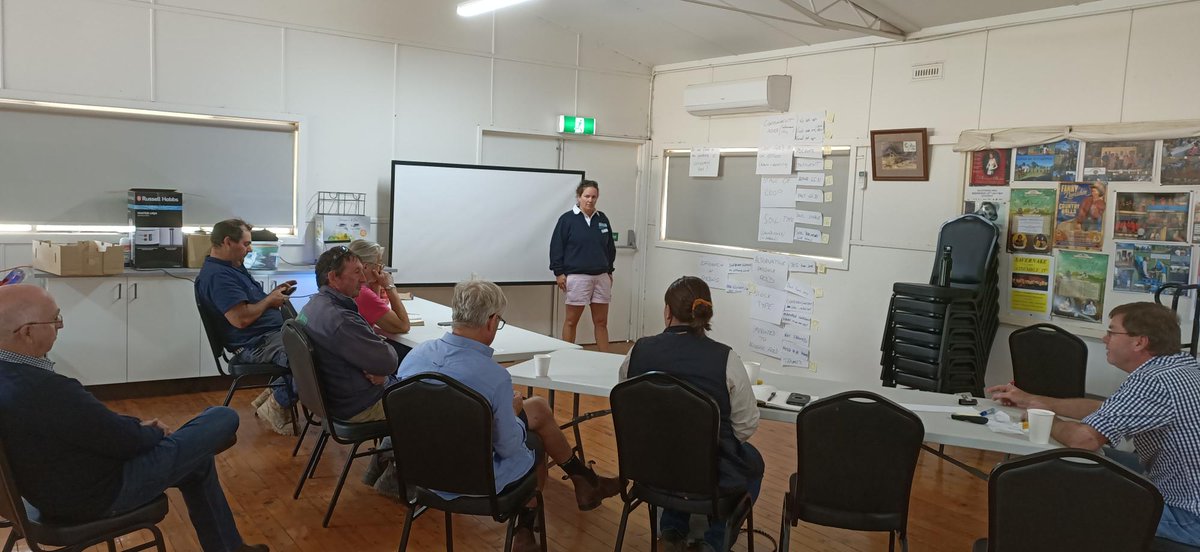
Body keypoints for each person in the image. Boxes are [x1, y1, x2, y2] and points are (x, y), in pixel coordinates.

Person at [0, 285, 268, 552]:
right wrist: (152, 432)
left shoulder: (12, 379)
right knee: (222, 417)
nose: (60, 325)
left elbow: (96, 428)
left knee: (197, 458)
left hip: (47, 492)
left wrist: (137, 430)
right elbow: (123, 441)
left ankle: (229, 548)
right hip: (96, 495)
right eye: (54, 320)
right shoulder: (45, 390)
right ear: (27, 332)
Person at [396, 278, 620, 552]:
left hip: (420, 472)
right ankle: (525, 527)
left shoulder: (414, 357)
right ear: (491, 322)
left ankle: (583, 482)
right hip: (477, 480)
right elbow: (509, 446)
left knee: (536, 408)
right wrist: (512, 414)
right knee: (533, 443)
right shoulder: (493, 377)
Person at [988, 302, 1200, 547]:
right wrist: (1033, 400)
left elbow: (1084, 440)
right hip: (1181, 495)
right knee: (1081, 468)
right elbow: (1108, 409)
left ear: (1139, 342)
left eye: (1112, 332)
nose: (1104, 338)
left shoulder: (1153, 381)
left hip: (1188, 517)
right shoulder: (1182, 366)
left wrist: (1044, 417)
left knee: (1061, 492)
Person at [618, 276, 764, 552]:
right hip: (708, 475)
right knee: (753, 463)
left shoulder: (637, 351)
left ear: (667, 312)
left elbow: (628, 403)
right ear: (707, 313)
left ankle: (672, 530)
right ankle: (715, 540)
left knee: (676, 451)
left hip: (651, 469)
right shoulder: (726, 359)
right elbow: (745, 426)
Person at [195, 218, 296, 434]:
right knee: (310, 356)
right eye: (246, 244)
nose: (250, 249)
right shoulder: (219, 277)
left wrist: (272, 295)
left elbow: (252, 304)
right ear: (227, 242)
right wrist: (269, 301)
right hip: (255, 344)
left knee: (321, 340)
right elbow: (240, 319)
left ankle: (274, 394)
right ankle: (278, 402)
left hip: (268, 336)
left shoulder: (233, 267)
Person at [296, 246, 398, 423]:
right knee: (430, 401)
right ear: (333, 278)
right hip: (360, 405)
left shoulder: (311, 306)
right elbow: (389, 361)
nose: (364, 279)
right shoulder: (341, 320)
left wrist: (376, 366)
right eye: (357, 272)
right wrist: (378, 365)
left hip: (333, 400)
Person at [549, 179, 617, 352]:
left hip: (601, 277)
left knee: (601, 322)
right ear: (579, 197)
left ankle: (605, 358)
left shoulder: (602, 219)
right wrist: (559, 272)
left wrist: (609, 271)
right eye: (587, 196)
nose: (590, 200)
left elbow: (610, 247)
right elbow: (556, 247)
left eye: (594, 197)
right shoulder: (567, 219)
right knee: (571, 321)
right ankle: (567, 356)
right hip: (577, 277)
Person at [347, 239, 413, 362]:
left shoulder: (348, 286)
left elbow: (374, 314)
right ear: (365, 266)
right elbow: (403, 326)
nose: (381, 268)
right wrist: (390, 287)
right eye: (379, 263)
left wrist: (375, 286)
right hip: (364, 357)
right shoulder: (362, 293)